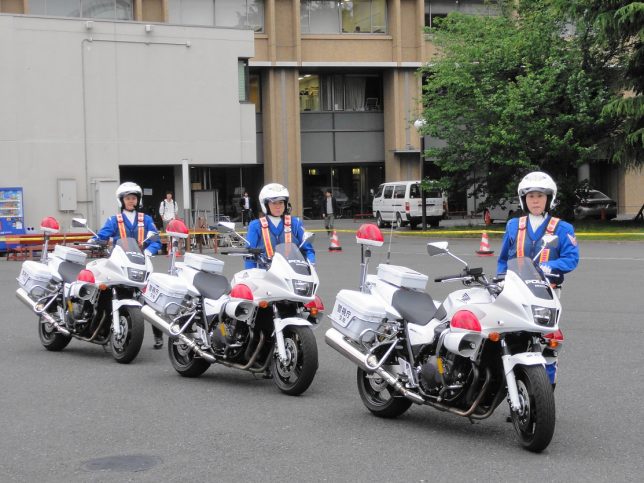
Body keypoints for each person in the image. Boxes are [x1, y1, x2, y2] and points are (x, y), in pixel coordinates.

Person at [497, 171, 579, 386]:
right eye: (531, 196)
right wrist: (500, 280)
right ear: (524, 199)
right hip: (515, 293)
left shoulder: (563, 228)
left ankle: (545, 392)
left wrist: (549, 266)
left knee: (550, 342)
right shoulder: (514, 225)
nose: (535, 200)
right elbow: (504, 259)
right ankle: (517, 396)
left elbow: (571, 259)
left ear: (549, 199)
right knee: (513, 340)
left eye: (540, 196)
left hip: (547, 293)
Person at [94, 182, 165, 349]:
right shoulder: (114, 220)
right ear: (122, 201)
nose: (131, 201)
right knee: (105, 293)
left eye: (134, 198)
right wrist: (96, 241)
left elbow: (156, 240)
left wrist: (149, 252)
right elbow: (102, 235)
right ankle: (102, 329)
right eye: (128, 198)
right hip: (119, 264)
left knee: (151, 297)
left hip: (141, 263)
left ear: (138, 200)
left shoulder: (146, 219)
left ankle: (158, 334)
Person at [244, 183, 315, 270]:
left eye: (281, 202)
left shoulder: (295, 223)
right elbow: (249, 255)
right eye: (274, 203)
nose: (278, 206)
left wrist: (310, 264)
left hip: (293, 274)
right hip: (265, 275)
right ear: (265, 205)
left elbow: (308, 249)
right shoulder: (255, 225)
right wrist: (252, 275)